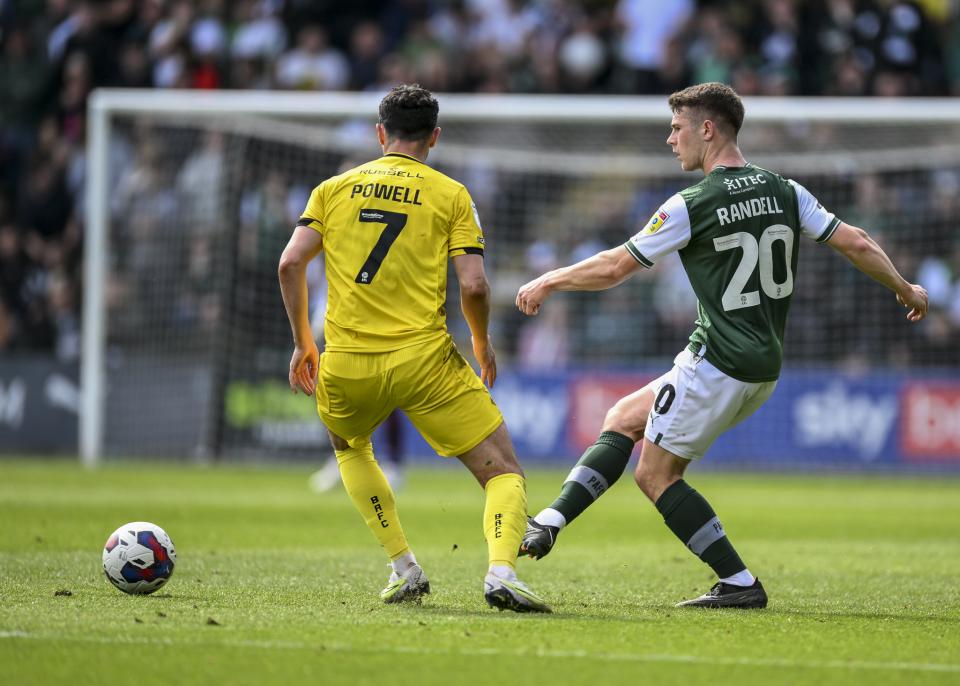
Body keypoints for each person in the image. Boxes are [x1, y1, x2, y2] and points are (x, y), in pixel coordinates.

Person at [515, 82, 928, 609]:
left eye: (677, 127)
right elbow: (858, 242)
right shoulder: (785, 189)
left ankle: (738, 581)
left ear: (707, 129)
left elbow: (617, 266)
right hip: (762, 365)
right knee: (623, 416)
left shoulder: (692, 203)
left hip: (718, 363)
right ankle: (549, 522)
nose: (670, 139)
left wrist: (550, 280)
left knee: (655, 474)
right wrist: (905, 288)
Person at [279, 84, 550, 613]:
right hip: (424, 360)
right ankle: (500, 572)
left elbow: (290, 264)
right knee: (502, 470)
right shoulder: (451, 194)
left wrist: (304, 344)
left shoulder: (333, 189)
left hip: (348, 359)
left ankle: (403, 566)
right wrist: (480, 339)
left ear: (380, 134)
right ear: (435, 138)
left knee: (350, 449)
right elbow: (473, 285)